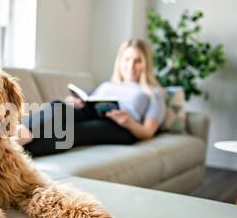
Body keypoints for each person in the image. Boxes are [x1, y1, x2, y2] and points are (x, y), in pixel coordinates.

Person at [17, 39, 167, 157]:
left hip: (121, 127)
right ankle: (18, 135)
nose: (131, 65)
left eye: (137, 61)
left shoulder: (154, 93)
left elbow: (148, 132)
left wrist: (129, 122)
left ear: (146, 64)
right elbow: (89, 101)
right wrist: (75, 102)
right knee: (59, 106)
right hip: (92, 112)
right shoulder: (108, 85)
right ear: (120, 61)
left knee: (70, 132)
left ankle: (13, 150)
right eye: (127, 59)